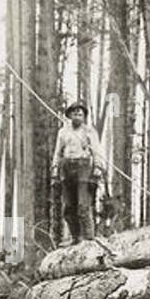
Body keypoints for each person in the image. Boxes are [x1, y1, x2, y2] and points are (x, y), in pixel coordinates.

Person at [51, 101, 105, 247]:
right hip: (67, 167)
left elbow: (97, 151)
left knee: (83, 205)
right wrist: (55, 168)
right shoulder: (63, 132)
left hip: (84, 167)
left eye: (80, 114)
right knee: (68, 206)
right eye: (74, 113)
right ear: (69, 115)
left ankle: (89, 238)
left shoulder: (89, 131)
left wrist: (98, 167)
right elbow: (58, 151)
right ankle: (76, 237)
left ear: (84, 116)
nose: (77, 116)